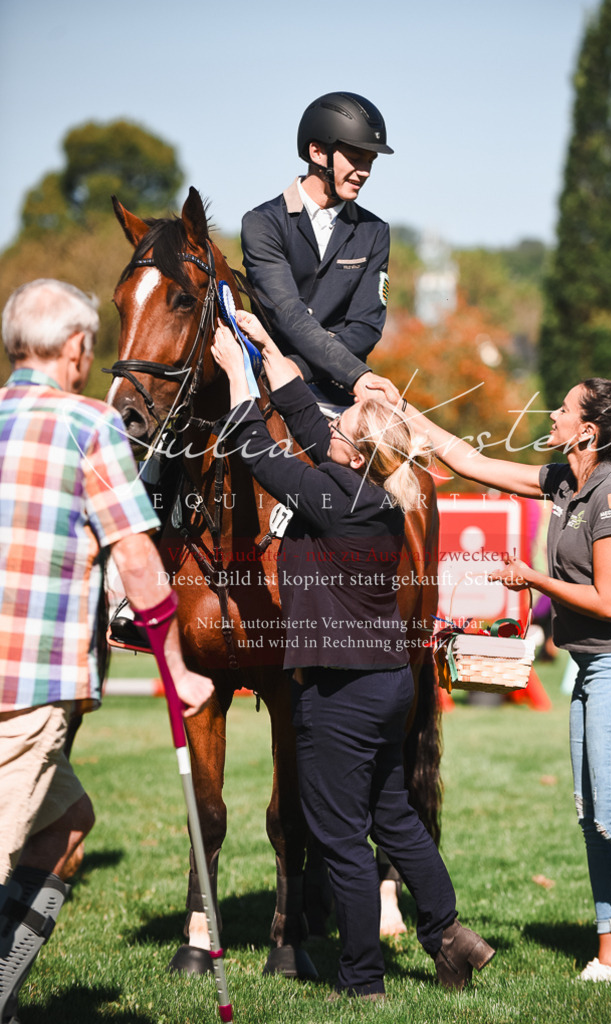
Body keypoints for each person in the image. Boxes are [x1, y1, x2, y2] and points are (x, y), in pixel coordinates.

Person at [210, 310, 495, 999]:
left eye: (343, 429)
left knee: (340, 838)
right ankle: (451, 936)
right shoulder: (376, 493)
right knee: (391, 814)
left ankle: (363, 981)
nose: (330, 427)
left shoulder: (331, 499)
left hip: (338, 693)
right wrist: (269, 346)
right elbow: (308, 420)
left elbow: (256, 445)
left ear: (354, 452)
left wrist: (235, 373)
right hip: (385, 684)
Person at [398, 377, 611, 998]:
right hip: (593, 667)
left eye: (564, 407)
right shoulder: (564, 481)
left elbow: (609, 603)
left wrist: (531, 577)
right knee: (594, 818)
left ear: (590, 431)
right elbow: (475, 462)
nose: (551, 412)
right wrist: (412, 420)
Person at [0, 279, 214, 1024]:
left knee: (65, 825)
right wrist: (179, 668)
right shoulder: (90, 423)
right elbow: (138, 557)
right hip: (26, 684)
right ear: (78, 347)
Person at [240, 91, 402, 412]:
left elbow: (366, 326)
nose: (365, 171)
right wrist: (351, 373)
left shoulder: (374, 231)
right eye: (356, 158)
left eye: (370, 161)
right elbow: (288, 314)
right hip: (264, 385)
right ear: (317, 151)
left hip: (340, 393)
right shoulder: (262, 224)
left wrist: (304, 366)